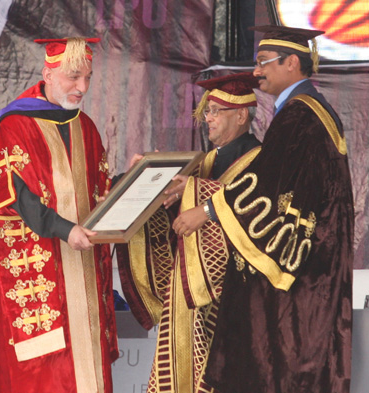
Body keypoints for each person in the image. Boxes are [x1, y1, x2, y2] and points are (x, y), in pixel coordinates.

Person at [175, 26, 354, 393]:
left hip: (305, 274)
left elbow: (267, 182)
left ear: (292, 63)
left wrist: (205, 211)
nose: (256, 72)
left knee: (281, 363)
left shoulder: (301, 115)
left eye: (263, 63)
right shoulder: (305, 111)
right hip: (318, 263)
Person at [0, 37, 118, 393]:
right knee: (42, 375)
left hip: (81, 273)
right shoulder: (15, 125)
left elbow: (102, 193)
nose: (82, 87)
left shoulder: (86, 127)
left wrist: (137, 181)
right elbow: (13, 197)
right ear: (47, 74)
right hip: (42, 276)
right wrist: (65, 230)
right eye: (73, 77)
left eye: (88, 77)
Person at [116, 72, 262, 392]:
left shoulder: (261, 163)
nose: (207, 119)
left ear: (241, 115)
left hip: (235, 293)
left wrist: (195, 191)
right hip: (187, 291)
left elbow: (253, 213)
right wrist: (140, 179)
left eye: (215, 112)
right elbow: (175, 208)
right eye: (206, 112)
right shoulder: (206, 160)